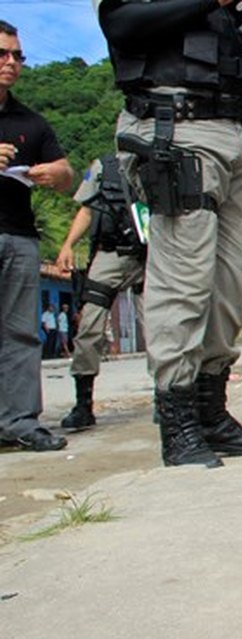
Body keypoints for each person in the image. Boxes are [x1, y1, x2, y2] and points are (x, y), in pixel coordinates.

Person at [98, 0, 242, 467]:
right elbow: (119, 24)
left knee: (236, 279)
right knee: (184, 277)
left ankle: (209, 407)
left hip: (228, 133)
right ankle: (177, 420)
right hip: (173, 126)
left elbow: (227, 61)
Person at [0, 20, 75, 452]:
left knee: (21, 333)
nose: (11, 63)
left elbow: (67, 176)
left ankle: (20, 421)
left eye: (17, 55)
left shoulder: (30, 120)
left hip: (18, 235)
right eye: (2, 54)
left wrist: (57, 173)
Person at [56, 154, 147, 431]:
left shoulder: (159, 162)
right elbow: (87, 209)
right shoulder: (104, 167)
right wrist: (68, 245)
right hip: (109, 253)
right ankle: (83, 404)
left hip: (151, 257)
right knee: (89, 327)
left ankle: (170, 401)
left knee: (160, 329)